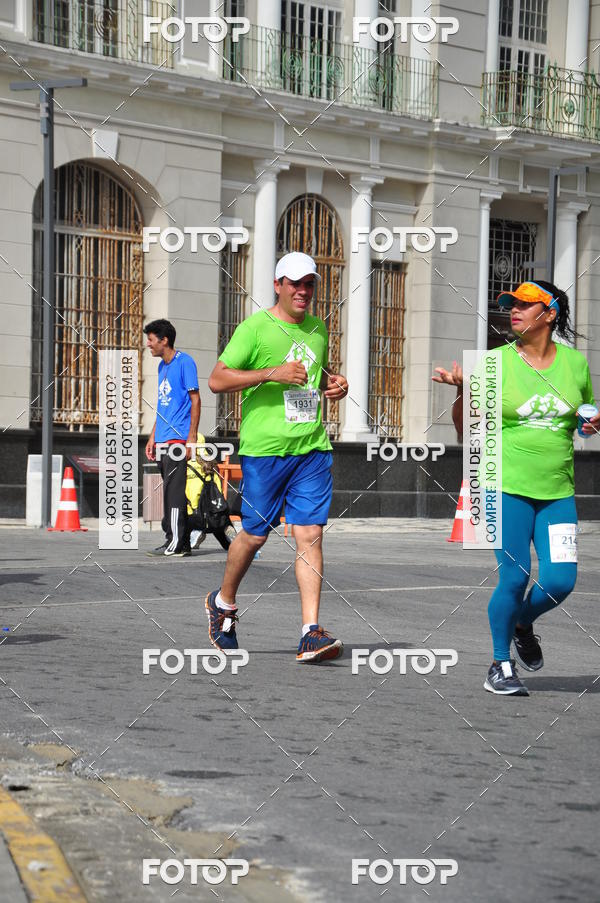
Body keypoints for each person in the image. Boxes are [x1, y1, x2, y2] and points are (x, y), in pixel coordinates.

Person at [433, 280, 599, 696]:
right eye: (511, 304)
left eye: (525, 305)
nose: (514, 310)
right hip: (502, 484)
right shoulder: (493, 363)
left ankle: (522, 622)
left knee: (561, 581)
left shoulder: (576, 365)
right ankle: (499, 663)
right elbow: (464, 432)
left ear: (550, 314)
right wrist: (461, 392)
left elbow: (582, 418)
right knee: (515, 575)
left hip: (557, 490)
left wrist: (590, 423)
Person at [205, 251, 349, 662]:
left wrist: (334, 384)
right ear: (278, 285)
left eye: (309, 284)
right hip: (265, 451)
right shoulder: (255, 328)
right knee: (254, 534)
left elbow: (315, 378)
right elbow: (217, 380)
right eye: (295, 284)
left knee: (309, 535)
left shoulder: (319, 329)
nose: (303, 291)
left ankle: (310, 632)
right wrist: (271, 373)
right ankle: (224, 602)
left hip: (311, 448)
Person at [144, 319, 200, 557]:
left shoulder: (185, 362)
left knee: (174, 493)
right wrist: (152, 436)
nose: (148, 344)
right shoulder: (161, 368)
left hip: (178, 439)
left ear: (164, 340)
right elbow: (162, 405)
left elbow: (196, 400)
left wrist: (192, 438)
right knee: (168, 491)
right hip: (163, 439)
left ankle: (176, 542)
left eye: (151, 339)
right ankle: (177, 540)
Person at [185, 432, 237, 551]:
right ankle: (234, 540)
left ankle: (197, 531)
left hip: (195, 512)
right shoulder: (212, 463)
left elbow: (187, 492)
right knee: (220, 524)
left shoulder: (187, 464)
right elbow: (218, 489)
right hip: (216, 509)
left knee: (173, 520)